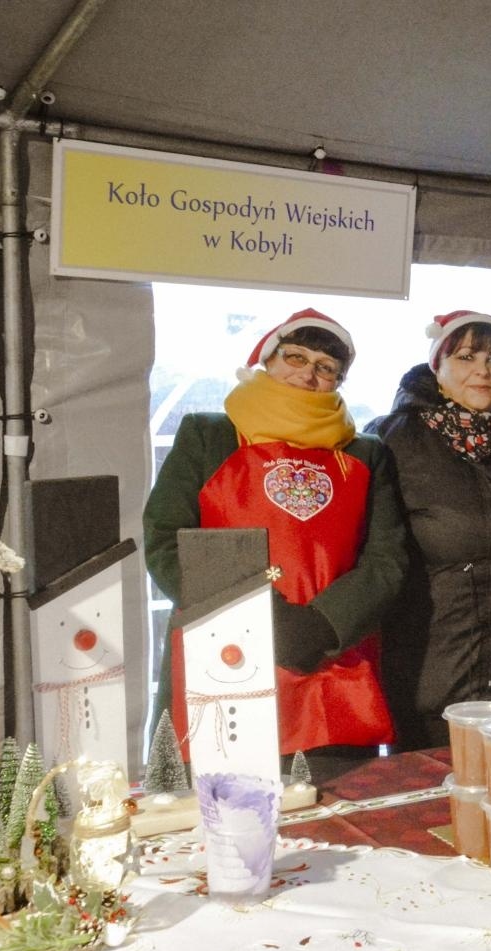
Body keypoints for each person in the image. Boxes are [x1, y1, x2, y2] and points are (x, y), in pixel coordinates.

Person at [143, 308, 407, 777]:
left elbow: (386, 561)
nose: (307, 373)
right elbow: (166, 539)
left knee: (336, 830)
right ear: (267, 360)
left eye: (325, 367)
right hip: (222, 660)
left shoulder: (366, 453)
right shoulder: (208, 436)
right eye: (295, 356)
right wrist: (255, 617)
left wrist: (322, 626)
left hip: (331, 669)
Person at [368, 310, 491, 750]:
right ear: (436, 367)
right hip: (432, 681)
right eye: (465, 357)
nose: (482, 370)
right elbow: (374, 562)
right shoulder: (391, 441)